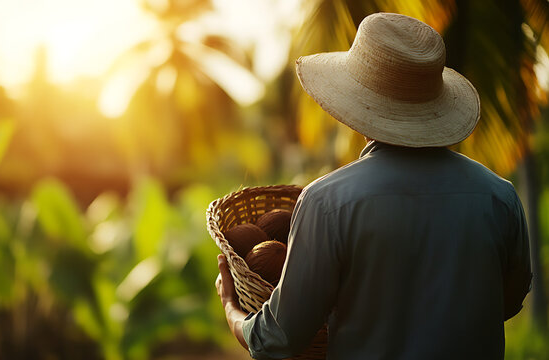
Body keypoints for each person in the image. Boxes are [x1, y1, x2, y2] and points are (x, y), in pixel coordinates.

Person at [215, 12, 532, 359]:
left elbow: (277, 338)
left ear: (359, 103)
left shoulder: (326, 203)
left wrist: (232, 307)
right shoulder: (499, 197)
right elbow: (508, 300)